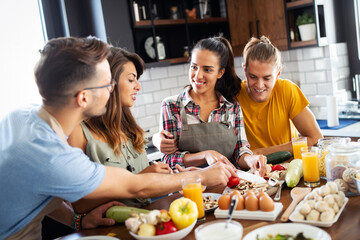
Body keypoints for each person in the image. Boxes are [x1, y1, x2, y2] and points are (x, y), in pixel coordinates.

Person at [0, 36, 236, 240]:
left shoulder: (21, 116)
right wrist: (202, 175)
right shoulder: (54, 155)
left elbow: (41, 190)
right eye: (106, 85)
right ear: (83, 98)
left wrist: (76, 221)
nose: (111, 90)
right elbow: (135, 187)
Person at [68, 47, 173, 211]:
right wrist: (139, 180)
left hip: (147, 219)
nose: (138, 86)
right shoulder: (79, 131)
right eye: (131, 80)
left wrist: (172, 175)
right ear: (108, 82)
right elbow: (79, 205)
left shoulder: (129, 128)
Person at [157, 36, 267, 176]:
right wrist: (205, 155)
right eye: (194, 67)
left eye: (207, 70)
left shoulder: (231, 107)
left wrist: (251, 159)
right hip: (189, 190)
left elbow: (240, 151)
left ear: (220, 73)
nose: (198, 75)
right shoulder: (171, 106)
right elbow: (168, 159)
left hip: (229, 188)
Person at [237, 36, 323, 155]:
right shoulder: (235, 95)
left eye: (267, 78)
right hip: (251, 171)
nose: (260, 85)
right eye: (253, 77)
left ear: (278, 73)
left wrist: (260, 152)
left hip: (288, 169)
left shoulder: (287, 90)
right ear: (245, 70)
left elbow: (315, 138)